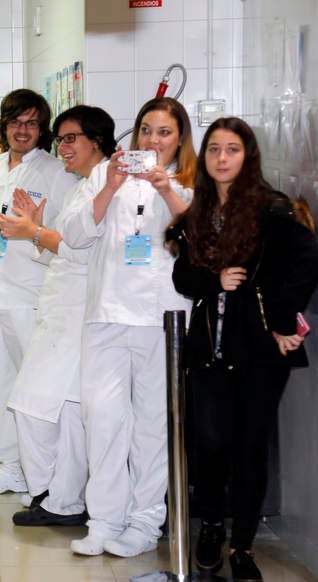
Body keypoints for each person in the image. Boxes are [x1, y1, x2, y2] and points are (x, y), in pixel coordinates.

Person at [169, 117, 318, 582]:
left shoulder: (272, 209)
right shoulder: (197, 211)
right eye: (213, 149)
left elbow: (306, 265)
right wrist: (214, 280)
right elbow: (182, 280)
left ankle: (244, 547)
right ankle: (212, 526)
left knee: (250, 449)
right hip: (208, 349)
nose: (221, 158)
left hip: (257, 349)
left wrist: (282, 320)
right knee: (210, 443)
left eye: (231, 149)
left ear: (247, 155)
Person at [60, 97, 196, 558]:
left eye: (164, 133)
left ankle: (143, 521)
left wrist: (165, 190)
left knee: (152, 427)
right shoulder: (104, 173)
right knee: (101, 419)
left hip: (163, 319)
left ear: (180, 139)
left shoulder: (188, 182)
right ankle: (104, 520)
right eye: (145, 131)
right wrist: (110, 186)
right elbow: (74, 236)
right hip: (105, 315)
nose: (152, 141)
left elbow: (201, 242)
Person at [1, 106, 115, 527]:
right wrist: (36, 228)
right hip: (64, 307)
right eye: (61, 139)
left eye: (71, 138)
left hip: (79, 311)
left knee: (39, 404)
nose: (63, 147)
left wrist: (32, 230)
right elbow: (66, 243)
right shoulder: (85, 185)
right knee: (61, 410)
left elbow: (75, 244)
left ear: (97, 140)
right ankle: (57, 497)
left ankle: (58, 495)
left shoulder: (106, 183)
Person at [0, 88, 77, 496]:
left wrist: (33, 230)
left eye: (32, 123)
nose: (23, 130)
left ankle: (39, 475)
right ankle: (11, 463)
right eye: (16, 122)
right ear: (4, 126)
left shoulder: (56, 172)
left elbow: (62, 235)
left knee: (31, 389)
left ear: (42, 129)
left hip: (29, 292)